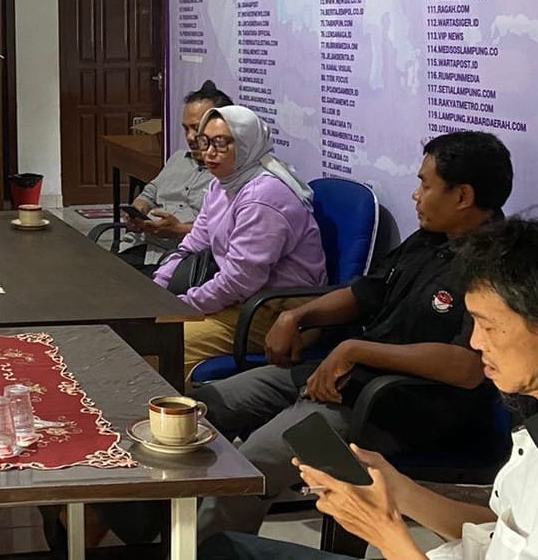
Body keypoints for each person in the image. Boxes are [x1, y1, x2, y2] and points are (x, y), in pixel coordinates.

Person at [203, 219, 538, 559]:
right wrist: (398, 490)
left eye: (488, 326)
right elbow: (507, 534)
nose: (475, 343)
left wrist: (386, 535)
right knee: (224, 549)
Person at [188, 130, 510, 543]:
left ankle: (209, 550)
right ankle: (156, 533)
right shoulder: (429, 239)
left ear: (462, 196)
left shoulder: (497, 265)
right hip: (347, 377)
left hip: (395, 407)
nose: (416, 196)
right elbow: (365, 293)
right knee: (203, 408)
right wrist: (297, 316)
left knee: (252, 463)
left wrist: (355, 350)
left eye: (426, 185)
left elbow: (466, 368)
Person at [153, 104, 326, 373]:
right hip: (240, 300)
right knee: (148, 330)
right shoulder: (221, 184)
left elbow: (240, 280)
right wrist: (156, 291)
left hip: (274, 311)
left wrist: (181, 306)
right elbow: (193, 245)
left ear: (246, 144)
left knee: (162, 344)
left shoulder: (263, 196)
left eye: (221, 143)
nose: (210, 152)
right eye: (205, 141)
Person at [118, 80, 234, 268]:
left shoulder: (232, 176)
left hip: (184, 262)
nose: (190, 137)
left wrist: (179, 230)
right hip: (139, 247)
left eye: (197, 128)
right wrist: (138, 211)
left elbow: (229, 233)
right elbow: (150, 193)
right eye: (186, 129)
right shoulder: (178, 158)